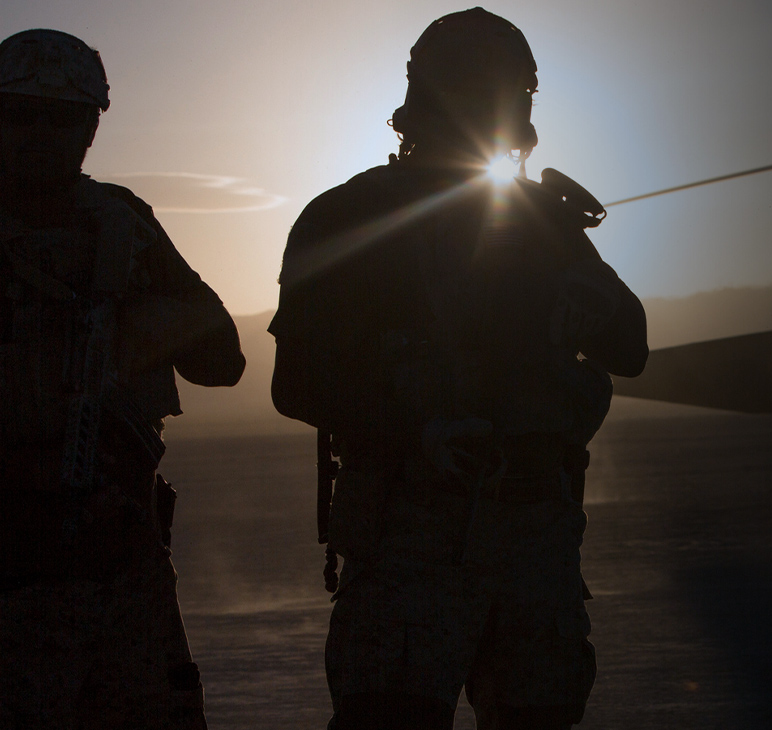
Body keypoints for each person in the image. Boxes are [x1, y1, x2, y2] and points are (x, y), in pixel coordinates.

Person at [269, 8, 646, 730]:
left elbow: (629, 352)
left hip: (534, 536)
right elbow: (298, 384)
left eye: (506, 94)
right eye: (482, 92)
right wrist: (421, 424)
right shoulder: (351, 216)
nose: (497, 109)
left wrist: (592, 296)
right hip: (410, 532)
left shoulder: (545, 222)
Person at [0, 29, 245, 730]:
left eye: (62, 117)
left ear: (91, 126)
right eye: (20, 114)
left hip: (120, 568)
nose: (40, 133)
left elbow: (222, 361)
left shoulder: (122, 225)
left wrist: (131, 321)